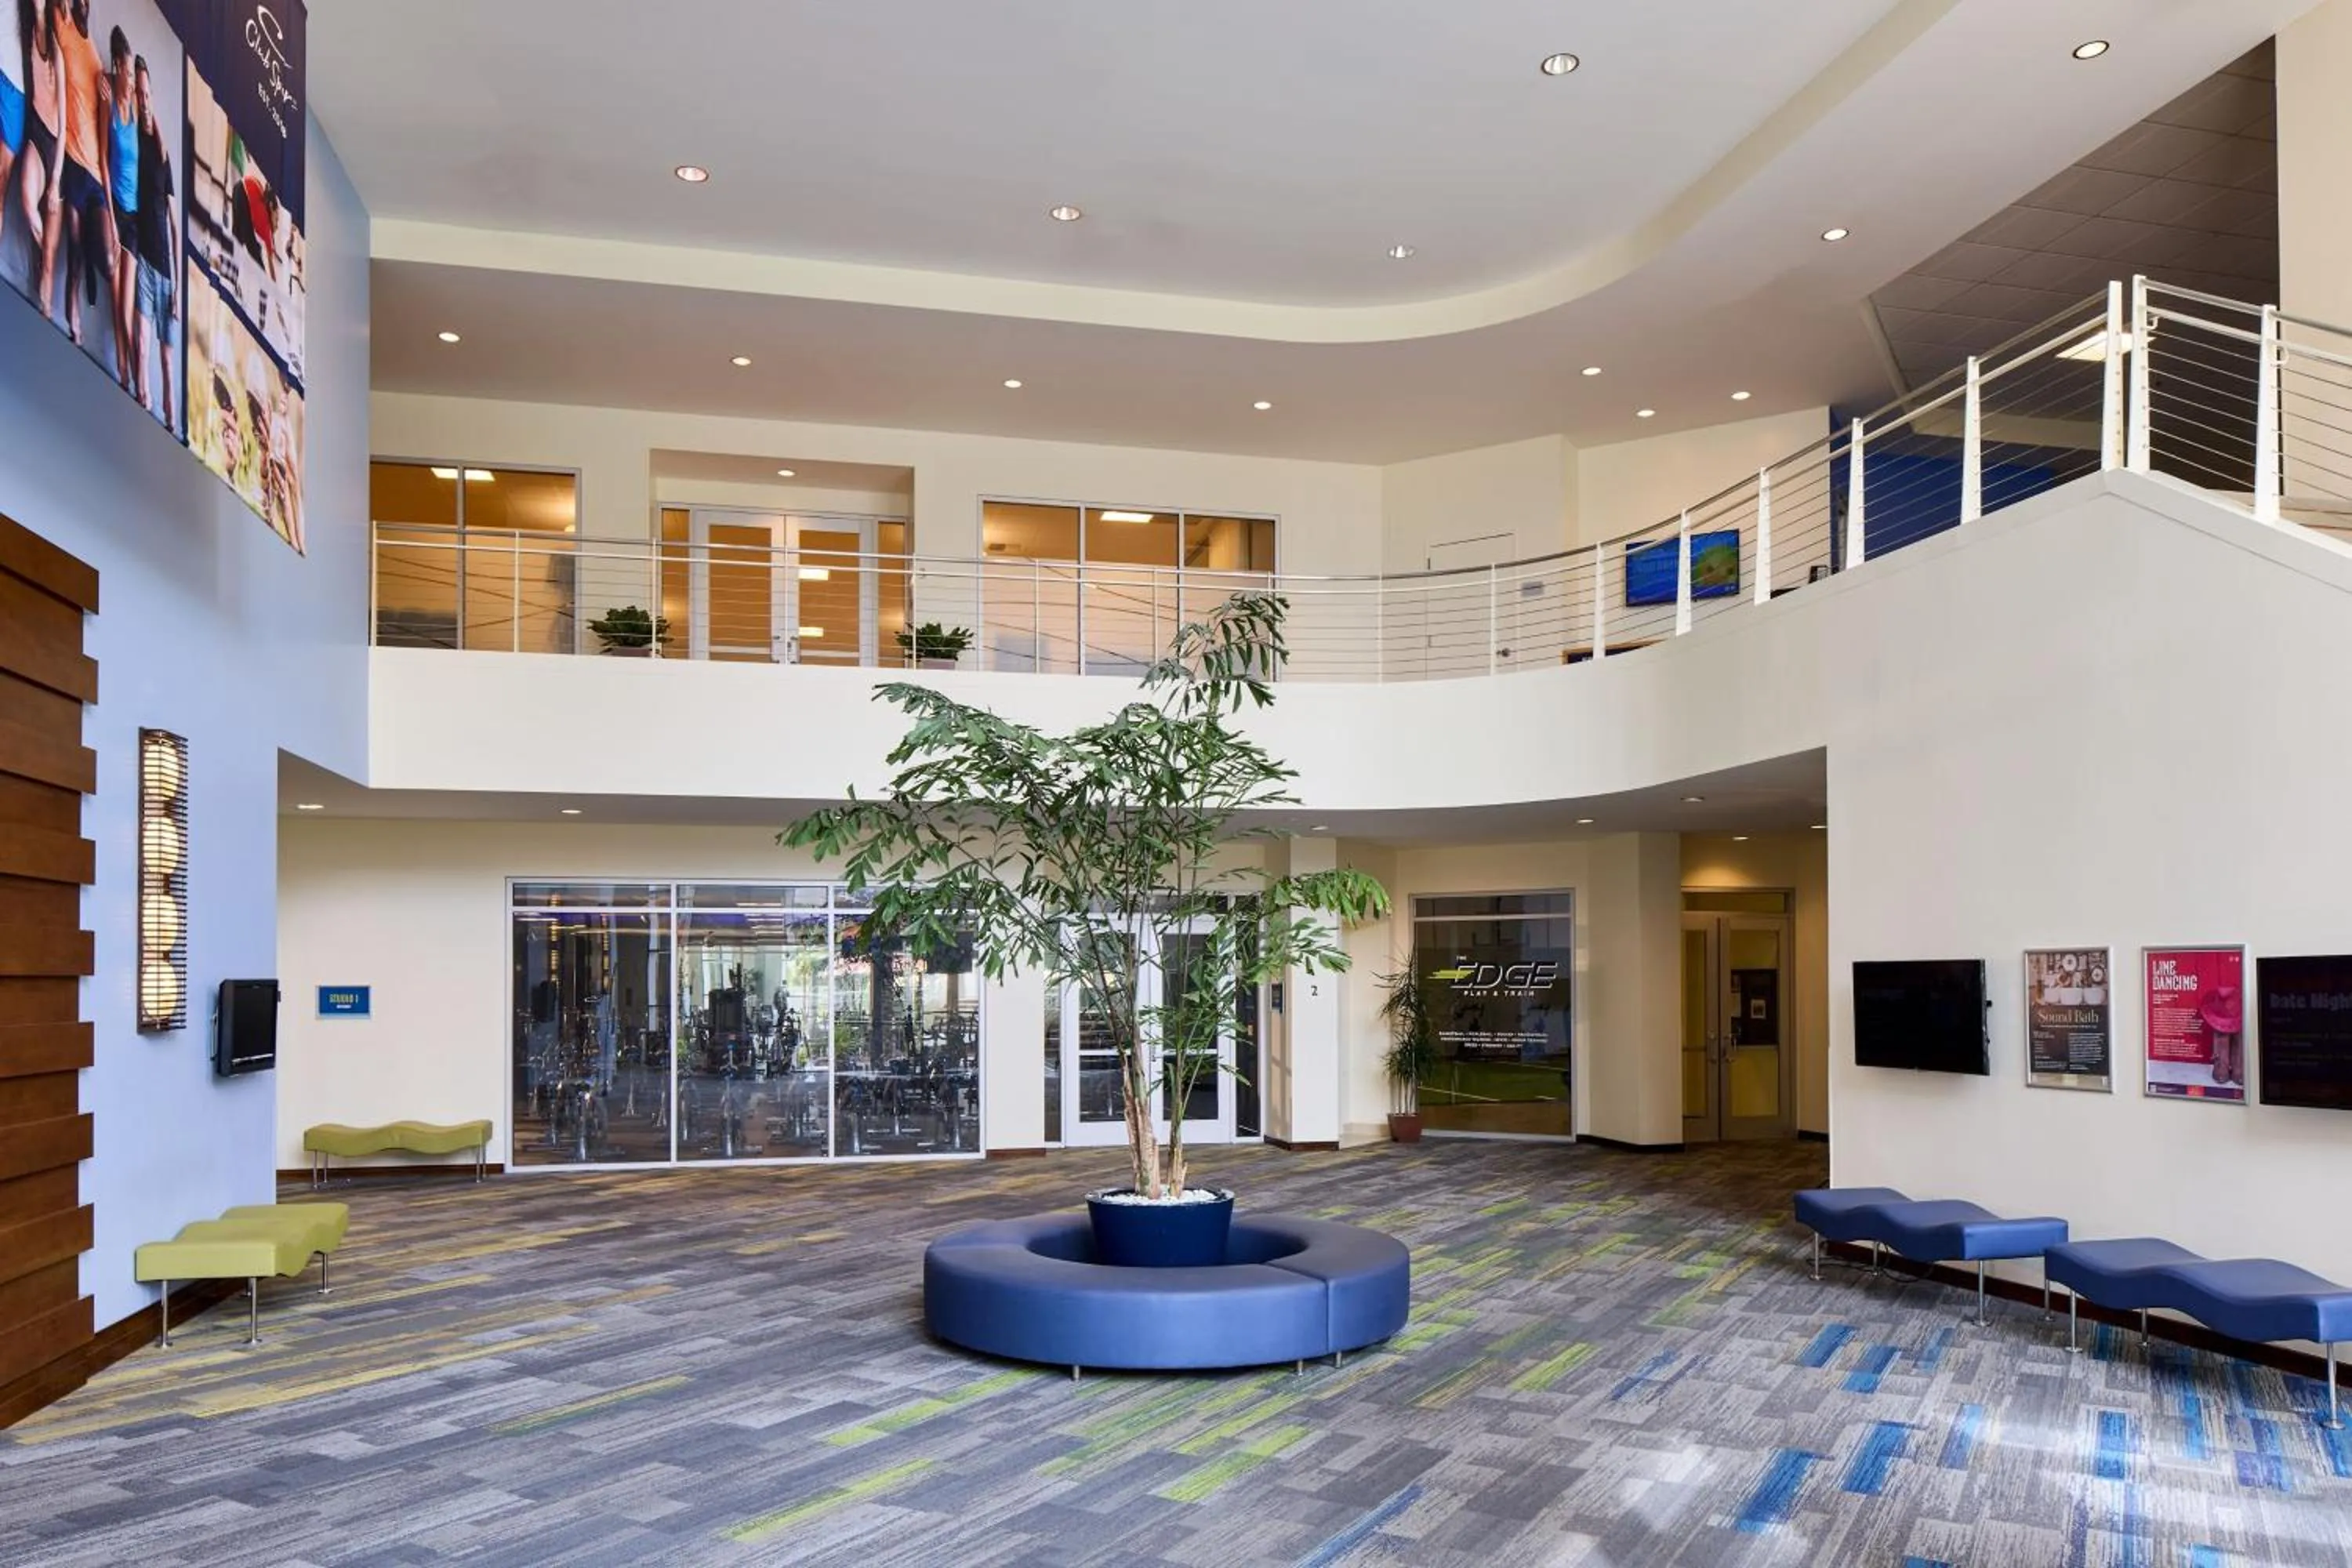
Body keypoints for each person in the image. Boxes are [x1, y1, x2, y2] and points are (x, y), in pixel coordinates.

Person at [52, 0, 110, 346]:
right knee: (72, 249)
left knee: (102, 254)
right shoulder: (64, 28)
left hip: (96, 175)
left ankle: (89, 266)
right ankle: (71, 314)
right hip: (72, 160)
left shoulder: (96, 58)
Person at [129, 53, 172, 425]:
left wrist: (178, 288)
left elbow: (172, 220)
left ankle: (171, 419)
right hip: (142, 256)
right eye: (138, 93)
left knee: (167, 357)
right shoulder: (132, 137)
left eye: (147, 93)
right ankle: (142, 404)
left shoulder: (161, 149)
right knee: (142, 343)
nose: (143, 99)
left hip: (166, 266)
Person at [16, 0, 60, 297]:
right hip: (35, 133)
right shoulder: (28, 31)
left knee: (48, 267)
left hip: (56, 144)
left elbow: (66, 115)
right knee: (28, 203)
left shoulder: (57, 47)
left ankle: (44, 298)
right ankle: (41, 256)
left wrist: (56, 180)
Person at [102, 24, 131, 387]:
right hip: (116, 212)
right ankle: (123, 372)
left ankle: (129, 374)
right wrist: (110, 217)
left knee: (127, 308)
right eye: (122, 68)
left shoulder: (138, 110)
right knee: (113, 287)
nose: (123, 74)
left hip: (134, 219)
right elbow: (104, 162)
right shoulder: (107, 98)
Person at [2201, 982, 2244, 1088]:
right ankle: (2221, 1065)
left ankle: (2237, 1064)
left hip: (2236, 1011)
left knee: (2239, 1036)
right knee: (2221, 1034)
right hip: (2220, 1010)